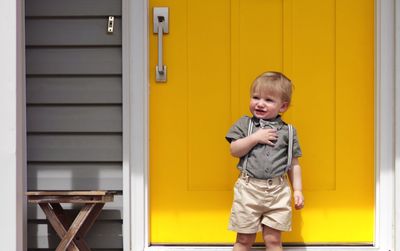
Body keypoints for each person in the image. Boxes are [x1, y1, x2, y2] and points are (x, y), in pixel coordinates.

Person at [225, 71, 304, 251]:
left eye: (268, 100)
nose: (260, 103)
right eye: (255, 97)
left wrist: (297, 190)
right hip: (248, 189)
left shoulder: (289, 132)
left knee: (273, 240)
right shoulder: (245, 124)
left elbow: (294, 164)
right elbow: (234, 150)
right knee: (244, 240)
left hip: (277, 191)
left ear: (282, 107)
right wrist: (255, 138)